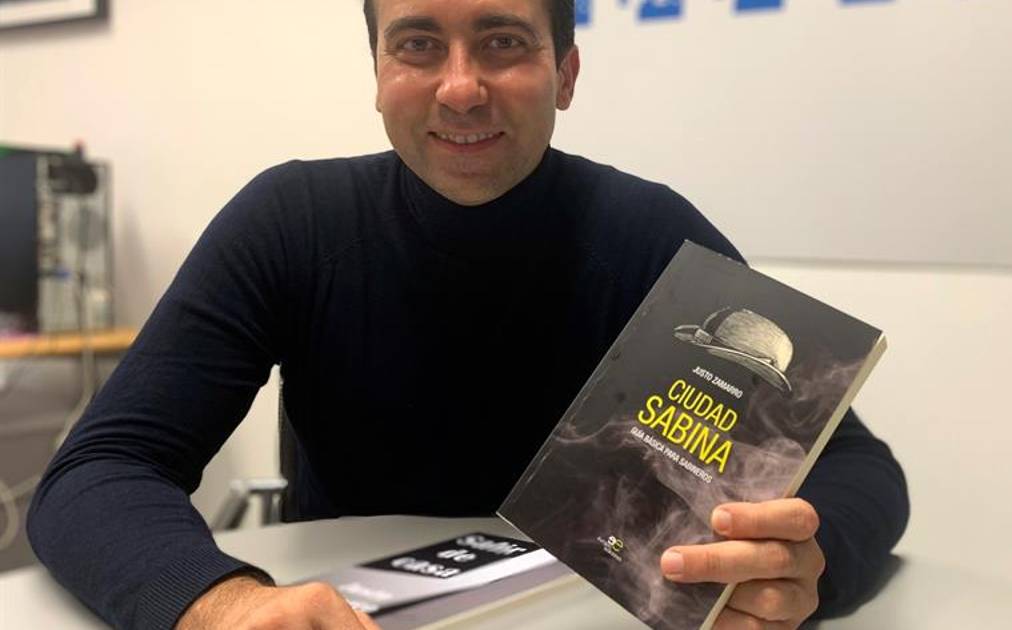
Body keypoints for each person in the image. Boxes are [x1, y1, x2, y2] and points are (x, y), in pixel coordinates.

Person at [27, 0, 909, 628]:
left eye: (502, 42)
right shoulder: (291, 224)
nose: (459, 88)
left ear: (565, 74)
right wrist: (219, 604)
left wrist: (804, 563)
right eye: (417, 45)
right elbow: (98, 470)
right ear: (379, 74)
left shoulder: (649, 237)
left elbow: (858, 468)